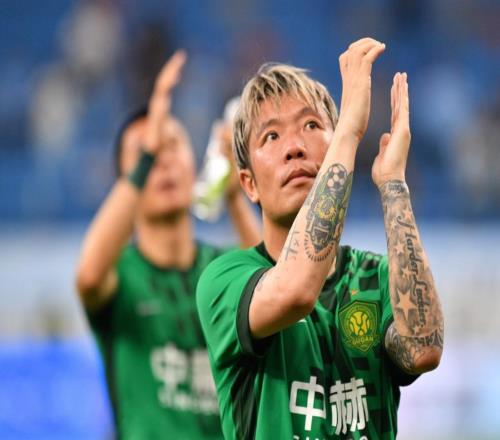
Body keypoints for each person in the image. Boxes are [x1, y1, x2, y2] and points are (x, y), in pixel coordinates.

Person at [196, 38, 444, 439]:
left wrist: (393, 185)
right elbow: (296, 290)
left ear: (332, 151)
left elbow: (423, 350)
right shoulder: (223, 281)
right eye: (271, 137)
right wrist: (348, 130)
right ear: (248, 184)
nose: (294, 148)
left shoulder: (373, 276)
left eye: (311, 126)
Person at [75, 51, 260, 439]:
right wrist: (147, 155)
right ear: (128, 184)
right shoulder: (120, 275)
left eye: (172, 145)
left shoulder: (223, 269)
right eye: (147, 153)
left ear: (194, 163)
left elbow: (278, 285)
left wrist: (234, 197)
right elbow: (88, 277)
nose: (162, 160)